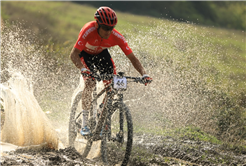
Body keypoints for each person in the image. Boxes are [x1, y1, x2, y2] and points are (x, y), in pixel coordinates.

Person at [69, 6, 152, 136]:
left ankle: (101, 112)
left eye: (111, 28)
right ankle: (84, 124)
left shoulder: (116, 36)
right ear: (97, 24)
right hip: (85, 55)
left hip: (102, 54)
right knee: (90, 83)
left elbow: (132, 58)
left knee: (113, 85)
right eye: (106, 28)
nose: (108, 32)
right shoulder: (88, 30)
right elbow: (73, 54)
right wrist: (83, 68)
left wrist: (144, 74)